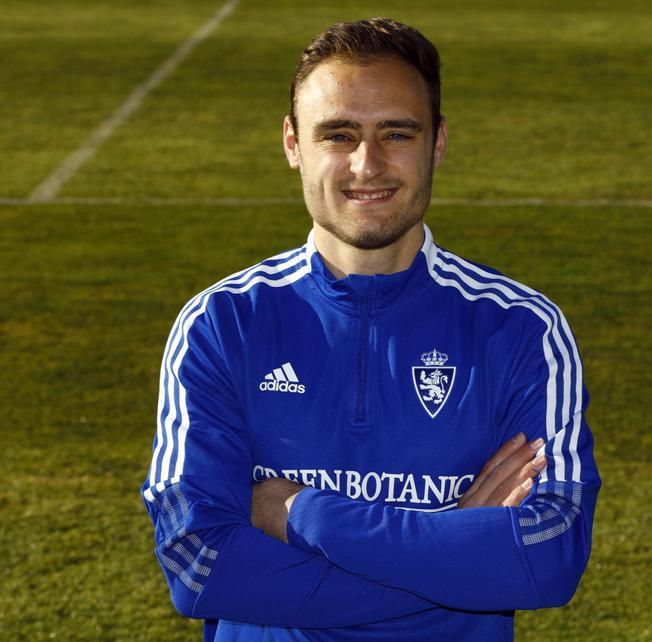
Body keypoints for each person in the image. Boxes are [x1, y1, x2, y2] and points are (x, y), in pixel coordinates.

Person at [140, 17, 600, 641]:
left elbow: (547, 559)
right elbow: (200, 567)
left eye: (397, 133)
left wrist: (302, 513)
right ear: (292, 143)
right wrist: (455, 552)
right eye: (338, 134)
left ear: (436, 142)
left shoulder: (520, 328)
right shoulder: (222, 324)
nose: (368, 164)